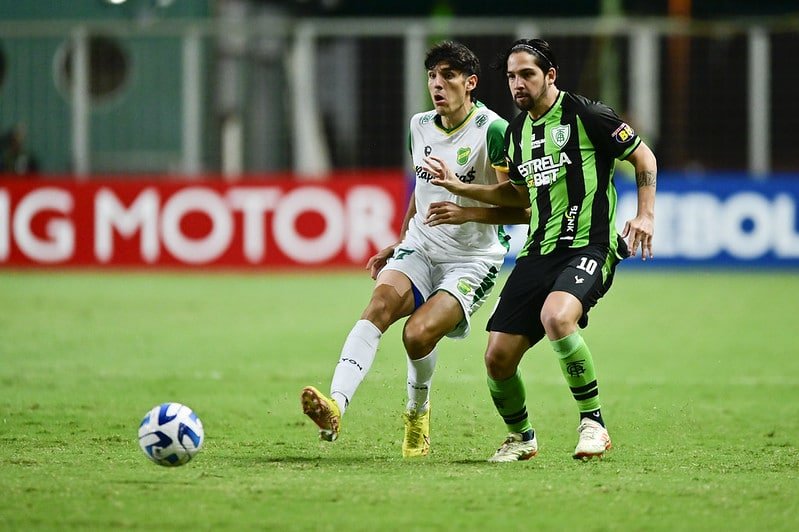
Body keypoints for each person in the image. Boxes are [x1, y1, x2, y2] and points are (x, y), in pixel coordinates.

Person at [425, 38, 657, 462]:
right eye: (511, 76)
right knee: (497, 358)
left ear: (550, 75)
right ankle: (521, 438)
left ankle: (593, 424)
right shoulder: (516, 133)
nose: (518, 83)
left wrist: (645, 215)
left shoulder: (587, 115)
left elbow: (644, 158)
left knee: (556, 317)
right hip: (537, 252)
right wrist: (463, 195)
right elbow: (516, 198)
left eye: (527, 74)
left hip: (590, 245)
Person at [300, 40, 528, 457]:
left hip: (471, 259)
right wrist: (402, 238)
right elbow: (422, 190)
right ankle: (336, 406)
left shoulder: (492, 130)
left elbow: (522, 206)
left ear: (470, 83)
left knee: (417, 336)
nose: (437, 84)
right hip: (420, 246)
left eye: (448, 76)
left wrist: (465, 210)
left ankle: (417, 412)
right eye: (431, 76)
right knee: (378, 305)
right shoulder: (419, 125)